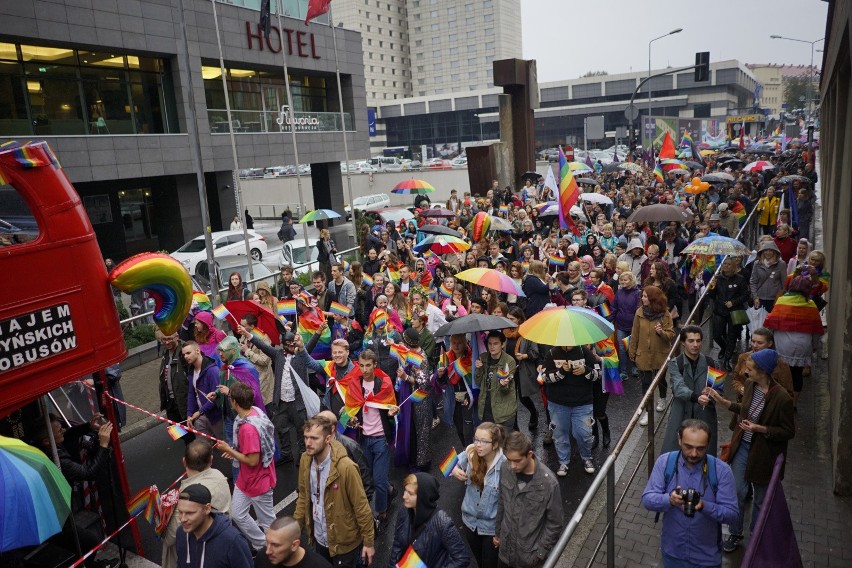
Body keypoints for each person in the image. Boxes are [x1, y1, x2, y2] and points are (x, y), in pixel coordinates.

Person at [707, 349, 795, 553]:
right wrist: (723, 402)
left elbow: (788, 431)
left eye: (750, 369)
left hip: (764, 453)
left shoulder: (782, 398)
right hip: (743, 447)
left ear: (762, 371)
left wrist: (760, 429)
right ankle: (735, 532)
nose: (746, 373)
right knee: (737, 491)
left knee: (761, 499)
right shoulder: (749, 385)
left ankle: (757, 536)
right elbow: (743, 409)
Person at [641, 419, 738, 568]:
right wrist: (669, 500)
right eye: (688, 447)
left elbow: (732, 514)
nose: (693, 454)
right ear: (679, 439)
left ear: (708, 444)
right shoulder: (665, 462)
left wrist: (704, 506)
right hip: (673, 554)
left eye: (700, 448)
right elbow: (647, 499)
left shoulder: (722, 471)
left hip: (707, 559)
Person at [293, 416, 375, 566]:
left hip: (344, 544)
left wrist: (368, 542)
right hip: (320, 540)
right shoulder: (305, 459)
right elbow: (303, 497)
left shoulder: (346, 467)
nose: (308, 443)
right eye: (305, 437)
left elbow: (361, 506)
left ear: (328, 439)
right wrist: (294, 530)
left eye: (314, 438)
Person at [331, 349, 398, 526]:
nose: (365, 369)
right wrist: (350, 420)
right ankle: (389, 490)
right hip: (364, 439)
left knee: (378, 480)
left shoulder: (383, 382)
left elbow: (391, 407)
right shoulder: (355, 383)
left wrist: (392, 413)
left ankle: (381, 513)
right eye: (361, 365)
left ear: (375, 365)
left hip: (381, 438)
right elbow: (348, 411)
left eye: (368, 365)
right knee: (367, 478)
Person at [216, 382, 277, 553]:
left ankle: (281, 552)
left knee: (268, 522)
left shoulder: (248, 429)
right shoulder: (255, 412)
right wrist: (235, 452)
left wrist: (230, 450)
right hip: (246, 479)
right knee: (238, 513)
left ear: (234, 402)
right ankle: (262, 545)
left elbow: (252, 461)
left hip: (259, 481)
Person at [240, 329, 314, 464]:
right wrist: (247, 334)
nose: (290, 346)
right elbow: (263, 346)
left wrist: (319, 332)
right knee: (280, 428)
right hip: (281, 401)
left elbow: (312, 344)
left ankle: (304, 456)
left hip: (297, 401)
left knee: (301, 430)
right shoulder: (278, 354)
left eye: (292, 343)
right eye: (287, 344)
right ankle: (287, 454)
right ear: (282, 345)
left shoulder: (302, 355)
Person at [495, 432, 563, 568]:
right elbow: (502, 501)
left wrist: (539, 553)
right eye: (509, 460)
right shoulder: (505, 467)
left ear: (529, 454)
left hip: (528, 559)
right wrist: (498, 533)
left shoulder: (549, 483)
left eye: (517, 461)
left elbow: (555, 523)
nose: (512, 465)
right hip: (505, 553)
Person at [161, 441, 231, 568]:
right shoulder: (219, 476)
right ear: (211, 459)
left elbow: (171, 537)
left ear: (184, 461)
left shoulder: (187, 497)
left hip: (198, 555)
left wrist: (159, 514)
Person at [763, 275, 824, 410]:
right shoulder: (811, 304)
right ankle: (793, 403)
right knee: (797, 375)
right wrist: (814, 346)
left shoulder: (782, 301)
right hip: (803, 345)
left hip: (783, 343)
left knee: (781, 373)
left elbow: (771, 323)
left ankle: (779, 402)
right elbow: (815, 329)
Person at [451, 422, 506, 568]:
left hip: (491, 528)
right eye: (476, 439)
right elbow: (446, 466)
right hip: (470, 522)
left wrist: (502, 532)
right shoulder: (470, 452)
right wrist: (454, 469)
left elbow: (509, 503)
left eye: (483, 441)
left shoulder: (505, 466)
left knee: (490, 564)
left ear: (494, 445)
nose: (478, 445)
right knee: (480, 561)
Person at [541, 343, 598, 476]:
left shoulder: (585, 353)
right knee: (559, 435)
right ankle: (563, 461)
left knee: (584, 433)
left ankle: (587, 457)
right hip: (557, 403)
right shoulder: (551, 354)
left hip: (583, 402)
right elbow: (544, 378)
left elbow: (598, 375)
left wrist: (586, 371)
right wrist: (561, 372)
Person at [661, 326, 720, 457]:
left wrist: (712, 395)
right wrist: (696, 397)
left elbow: (718, 391)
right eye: (691, 341)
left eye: (698, 341)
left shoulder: (713, 363)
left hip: (705, 415)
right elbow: (678, 387)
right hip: (681, 414)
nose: (695, 345)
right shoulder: (675, 363)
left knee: (704, 455)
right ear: (683, 343)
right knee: (674, 454)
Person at [390, 473, 470, 567]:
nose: (404, 496)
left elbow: (462, 558)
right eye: (405, 491)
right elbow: (397, 544)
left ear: (423, 497)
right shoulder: (404, 511)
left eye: (410, 493)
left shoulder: (443, 522)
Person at [175, 484, 253, 568]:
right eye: (180, 512)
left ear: (207, 509)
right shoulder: (181, 533)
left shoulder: (233, 541)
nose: (183, 519)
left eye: (190, 513)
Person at [629, 285, 675, 426]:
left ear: (653, 298)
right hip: (643, 354)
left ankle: (662, 398)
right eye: (642, 296)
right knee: (646, 383)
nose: (642, 298)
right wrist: (632, 351)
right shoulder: (639, 312)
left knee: (660, 380)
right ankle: (648, 412)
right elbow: (635, 333)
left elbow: (671, 335)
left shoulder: (665, 314)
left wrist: (661, 332)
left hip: (660, 354)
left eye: (645, 296)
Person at [707, 257, 750, 371]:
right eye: (724, 264)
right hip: (720, 311)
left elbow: (746, 295)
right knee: (716, 335)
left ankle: (727, 359)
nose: (726, 266)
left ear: (734, 266)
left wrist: (733, 302)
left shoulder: (740, 279)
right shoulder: (717, 278)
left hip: (734, 312)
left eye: (728, 264)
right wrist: (712, 287)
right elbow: (711, 296)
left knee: (732, 337)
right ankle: (724, 348)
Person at [729, 327, 794, 400]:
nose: (755, 345)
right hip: (743, 403)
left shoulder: (780, 364)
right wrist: (741, 389)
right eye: (753, 341)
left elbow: (788, 392)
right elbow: (735, 379)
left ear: (770, 343)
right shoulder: (743, 357)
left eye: (760, 343)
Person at [474, 330, 518, 430]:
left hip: (503, 412)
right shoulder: (483, 358)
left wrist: (503, 384)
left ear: (502, 344)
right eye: (489, 343)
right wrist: (478, 369)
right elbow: (477, 382)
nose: (492, 346)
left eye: (495, 343)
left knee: (503, 443)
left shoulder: (509, 361)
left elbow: (506, 390)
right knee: (489, 442)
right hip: (486, 408)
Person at [183, 340, 223, 441]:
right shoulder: (191, 371)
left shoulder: (212, 371)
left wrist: (199, 412)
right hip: (201, 417)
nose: (185, 357)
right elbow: (191, 394)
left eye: (188, 353)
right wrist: (189, 414)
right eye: (184, 354)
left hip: (216, 417)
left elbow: (216, 396)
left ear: (197, 351)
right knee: (202, 448)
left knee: (225, 447)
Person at [157, 330, 192, 444]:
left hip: (183, 401)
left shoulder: (184, 352)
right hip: (170, 402)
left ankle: (194, 453)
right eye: (164, 339)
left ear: (177, 337)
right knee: (176, 432)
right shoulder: (165, 353)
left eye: (170, 339)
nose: (167, 342)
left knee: (190, 434)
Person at [255, 516, 331, 568]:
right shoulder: (262, 558)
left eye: (275, 545)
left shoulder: (319, 565)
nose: (268, 551)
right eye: (267, 542)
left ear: (294, 545)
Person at [749, 241, 786, 314]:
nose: (768, 252)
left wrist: (780, 297)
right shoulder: (757, 263)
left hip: (775, 299)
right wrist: (755, 297)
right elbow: (753, 281)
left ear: (775, 252)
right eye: (766, 250)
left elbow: (784, 283)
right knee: (760, 323)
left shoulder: (781, 264)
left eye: (771, 250)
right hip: (760, 299)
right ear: (762, 252)